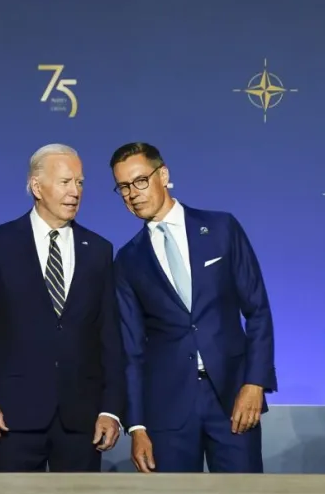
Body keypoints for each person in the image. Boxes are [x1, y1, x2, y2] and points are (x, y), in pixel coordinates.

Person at [0, 143, 126, 472]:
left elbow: (111, 340)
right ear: (37, 186)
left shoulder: (99, 250)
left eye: (80, 182)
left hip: (82, 421)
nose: (75, 192)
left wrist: (111, 409)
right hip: (12, 419)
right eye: (65, 182)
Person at [110, 142, 276, 474]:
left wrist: (254, 383)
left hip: (232, 398)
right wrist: (137, 426)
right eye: (124, 187)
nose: (133, 194)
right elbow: (131, 350)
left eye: (140, 180)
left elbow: (257, 310)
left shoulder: (220, 228)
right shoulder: (128, 260)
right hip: (167, 408)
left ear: (164, 175)